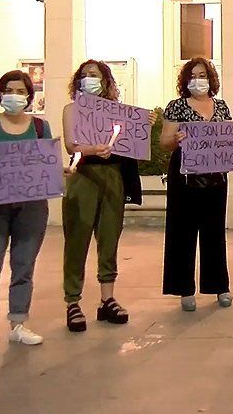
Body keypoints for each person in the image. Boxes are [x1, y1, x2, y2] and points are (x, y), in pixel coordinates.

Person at [0, 71, 56, 358]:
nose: (13, 95)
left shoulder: (41, 128)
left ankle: (19, 323)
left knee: (24, 267)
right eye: (8, 90)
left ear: (29, 96)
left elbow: (46, 165)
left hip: (31, 208)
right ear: (0, 94)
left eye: (19, 91)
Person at [160, 58, 233, 311]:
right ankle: (184, 289)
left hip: (215, 176)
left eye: (202, 75)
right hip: (184, 176)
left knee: (214, 231)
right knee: (182, 231)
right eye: (193, 75)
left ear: (210, 78)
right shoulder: (176, 106)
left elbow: (229, 138)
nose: (198, 80)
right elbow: (164, 142)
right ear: (185, 80)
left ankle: (219, 285)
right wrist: (176, 138)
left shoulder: (221, 106)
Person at [61, 60, 148, 332]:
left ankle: (107, 298)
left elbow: (131, 140)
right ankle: (73, 301)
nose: (89, 79)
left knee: (109, 238)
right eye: (84, 75)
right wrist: (90, 149)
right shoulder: (71, 109)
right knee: (77, 239)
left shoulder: (118, 113)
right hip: (84, 175)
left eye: (94, 75)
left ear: (105, 81)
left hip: (113, 175)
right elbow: (70, 144)